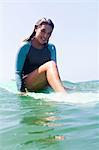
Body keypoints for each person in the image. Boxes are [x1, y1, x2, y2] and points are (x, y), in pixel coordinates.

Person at [16, 17, 66, 94]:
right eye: (43, 31)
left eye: (49, 33)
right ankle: (63, 95)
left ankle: (62, 92)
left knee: (70, 89)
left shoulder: (51, 48)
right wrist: (21, 91)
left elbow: (54, 71)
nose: (45, 36)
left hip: (42, 82)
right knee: (50, 64)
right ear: (36, 28)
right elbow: (18, 72)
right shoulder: (25, 46)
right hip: (28, 83)